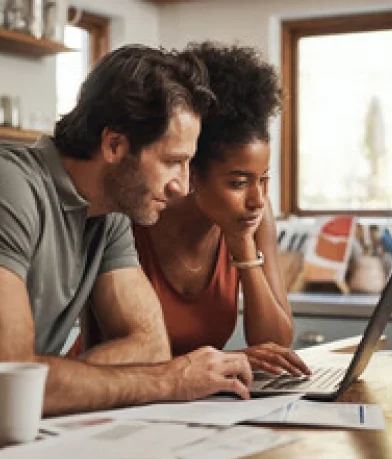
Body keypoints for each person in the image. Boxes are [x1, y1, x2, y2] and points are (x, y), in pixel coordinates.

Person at [0, 44, 253, 417]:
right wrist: (169, 381)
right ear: (114, 145)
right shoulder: (7, 185)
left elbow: (151, 346)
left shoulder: (109, 213)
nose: (182, 186)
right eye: (173, 162)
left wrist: (54, 380)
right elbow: (6, 385)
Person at [132, 42, 310, 377]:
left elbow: (276, 343)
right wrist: (228, 359)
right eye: (239, 183)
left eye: (264, 179)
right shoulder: (138, 216)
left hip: (191, 406)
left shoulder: (254, 218)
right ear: (192, 173)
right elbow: (122, 352)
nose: (258, 199)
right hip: (108, 401)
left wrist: (242, 246)